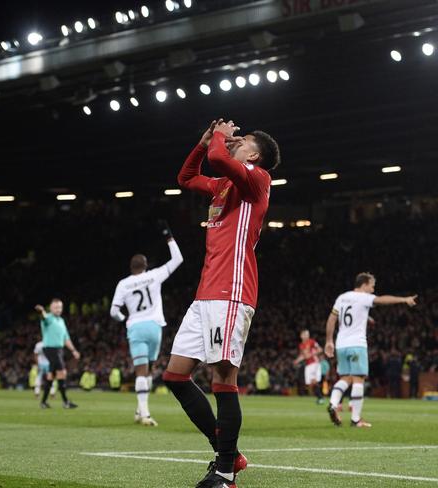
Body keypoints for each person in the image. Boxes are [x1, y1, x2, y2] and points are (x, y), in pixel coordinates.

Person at [162, 119, 280, 488]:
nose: (234, 143)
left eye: (241, 141)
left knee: (223, 377)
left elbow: (217, 156)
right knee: (175, 376)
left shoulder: (256, 178)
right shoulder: (223, 186)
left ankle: (225, 473)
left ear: (254, 154)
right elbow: (185, 177)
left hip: (231, 291)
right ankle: (227, 451)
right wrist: (202, 143)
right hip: (205, 295)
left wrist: (218, 137)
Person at [110, 221, 183, 427]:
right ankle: (140, 410)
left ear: (131, 268)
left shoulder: (123, 284)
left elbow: (114, 311)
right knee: (149, 370)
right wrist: (169, 237)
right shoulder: (153, 276)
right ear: (145, 265)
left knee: (141, 371)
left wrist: (124, 319)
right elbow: (178, 259)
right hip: (155, 327)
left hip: (136, 327)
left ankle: (144, 413)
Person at [324, 272, 417, 428]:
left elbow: (332, 319)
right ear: (364, 284)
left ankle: (333, 404)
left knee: (345, 378)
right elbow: (383, 300)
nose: (373, 290)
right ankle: (355, 420)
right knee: (359, 379)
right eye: (372, 286)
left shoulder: (342, 297)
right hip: (356, 344)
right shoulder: (364, 297)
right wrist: (404, 299)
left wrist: (328, 341)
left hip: (341, 344)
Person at [34, 299, 80, 409]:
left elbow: (66, 338)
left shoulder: (61, 321)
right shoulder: (49, 318)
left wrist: (73, 350)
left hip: (59, 350)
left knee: (51, 376)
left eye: (60, 307)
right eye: (55, 307)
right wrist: (41, 311)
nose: (58, 309)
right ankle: (66, 402)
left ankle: (43, 402)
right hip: (51, 349)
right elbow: (43, 317)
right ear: (51, 308)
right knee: (62, 372)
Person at [293, 330, 324, 404]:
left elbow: (320, 349)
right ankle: (320, 397)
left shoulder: (312, 342)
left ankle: (320, 398)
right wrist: (296, 361)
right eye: (305, 334)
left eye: (308, 334)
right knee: (310, 383)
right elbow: (303, 356)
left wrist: (312, 354)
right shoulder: (301, 345)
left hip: (314, 363)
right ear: (301, 335)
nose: (307, 336)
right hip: (308, 365)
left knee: (313, 381)